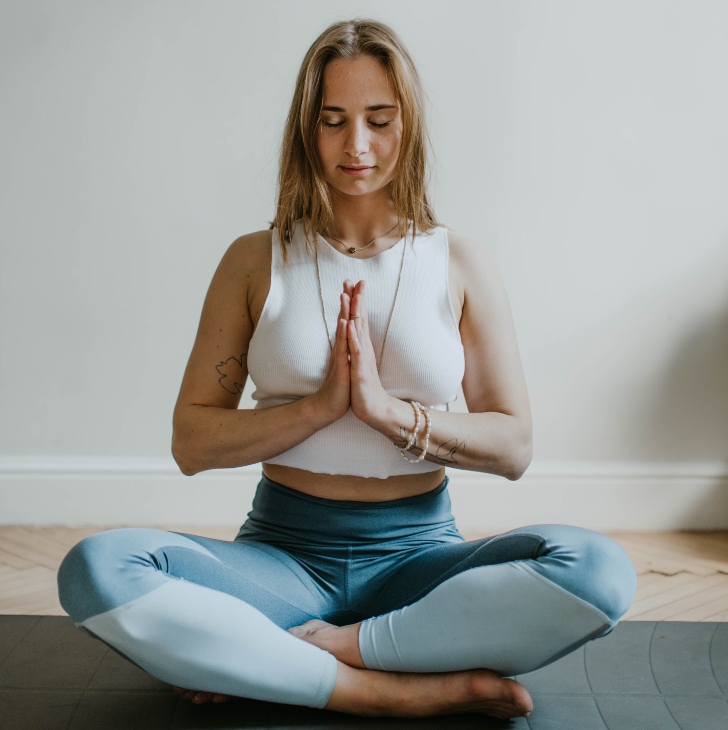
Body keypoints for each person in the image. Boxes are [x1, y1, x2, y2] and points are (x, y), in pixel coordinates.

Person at [57, 19, 636, 720]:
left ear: (408, 126)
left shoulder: (458, 263)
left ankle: (306, 654)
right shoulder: (253, 260)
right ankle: (387, 688)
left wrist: (386, 413)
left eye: (378, 120)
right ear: (307, 129)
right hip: (281, 560)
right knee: (97, 569)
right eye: (332, 122)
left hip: (420, 563)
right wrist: (316, 408)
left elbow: (513, 448)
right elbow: (191, 443)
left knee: (598, 571)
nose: (355, 146)